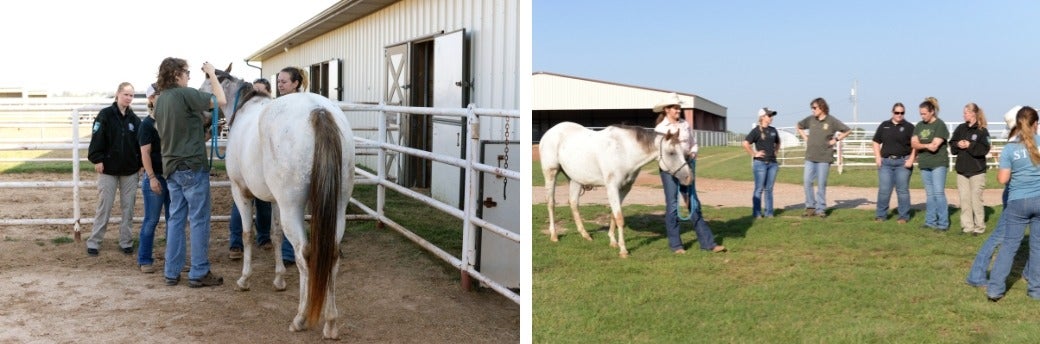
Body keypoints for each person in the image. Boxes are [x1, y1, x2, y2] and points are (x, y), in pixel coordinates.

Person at [154, 58, 226, 288]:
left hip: (172, 167)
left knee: (175, 219)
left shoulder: (160, 100)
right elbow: (221, 100)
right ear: (176, 74)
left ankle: (172, 271)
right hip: (191, 166)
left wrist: (202, 127)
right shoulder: (185, 94)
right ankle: (199, 271)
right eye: (186, 72)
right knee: (199, 219)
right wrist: (212, 74)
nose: (188, 76)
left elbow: (180, 128)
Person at [229, 66, 307, 265]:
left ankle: (290, 251)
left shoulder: (292, 106)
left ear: (296, 83)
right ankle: (282, 248)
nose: (280, 85)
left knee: (288, 207)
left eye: (284, 82)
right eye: (278, 81)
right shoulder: (276, 105)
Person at [653, 93, 726, 254]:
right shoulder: (660, 130)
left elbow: (693, 143)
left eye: (679, 107)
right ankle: (676, 245)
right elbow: (659, 153)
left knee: (693, 202)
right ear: (666, 110)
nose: (678, 110)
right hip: (669, 169)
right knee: (672, 205)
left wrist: (693, 152)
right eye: (674, 108)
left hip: (686, 165)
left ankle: (708, 243)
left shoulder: (685, 125)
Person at [983, 106, 1040, 302]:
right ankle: (1035, 290)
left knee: (1009, 246)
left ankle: (995, 290)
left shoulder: (1010, 148)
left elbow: (1002, 179)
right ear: (1036, 124)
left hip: (1018, 201)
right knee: (1038, 247)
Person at [85, 82, 143, 257]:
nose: (128, 98)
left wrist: (141, 164)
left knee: (129, 208)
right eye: (125, 94)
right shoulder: (105, 115)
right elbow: (97, 138)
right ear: (117, 94)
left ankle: (126, 241)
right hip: (108, 169)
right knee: (105, 206)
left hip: (130, 171)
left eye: (131, 95)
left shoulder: (135, 120)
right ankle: (94, 242)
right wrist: (97, 159)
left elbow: (140, 144)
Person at [796, 97, 851, 218]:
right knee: (806, 182)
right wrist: (806, 138)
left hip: (824, 158)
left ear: (822, 107)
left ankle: (820, 209)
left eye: (814, 108)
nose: (812, 110)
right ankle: (810, 207)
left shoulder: (831, 121)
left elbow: (847, 130)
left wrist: (836, 140)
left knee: (821, 184)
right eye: (812, 108)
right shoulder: (810, 120)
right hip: (810, 157)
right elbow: (799, 126)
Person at [137, 84, 170, 273]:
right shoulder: (147, 125)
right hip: (156, 176)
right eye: (159, 95)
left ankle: (171, 258)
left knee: (173, 220)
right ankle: (144, 258)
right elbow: (145, 153)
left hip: (170, 176)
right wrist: (151, 177)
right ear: (151, 99)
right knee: (151, 220)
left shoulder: (169, 122)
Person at [871, 102, 916, 223]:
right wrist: (877, 157)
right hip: (886, 162)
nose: (899, 115)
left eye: (902, 113)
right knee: (884, 190)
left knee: (902, 190)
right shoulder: (884, 125)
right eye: (897, 112)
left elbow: (915, 146)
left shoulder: (909, 127)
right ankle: (881, 215)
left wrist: (911, 159)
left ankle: (903, 216)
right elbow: (875, 141)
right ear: (892, 112)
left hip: (903, 162)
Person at [950, 103, 991, 235]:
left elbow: (985, 149)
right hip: (962, 170)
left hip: (977, 171)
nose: (964, 115)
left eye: (966, 112)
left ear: (973, 113)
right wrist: (958, 144)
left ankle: (979, 227)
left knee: (976, 200)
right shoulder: (960, 128)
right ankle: (967, 227)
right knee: (964, 200)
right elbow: (952, 144)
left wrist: (970, 145)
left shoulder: (982, 130)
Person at [911, 97, 950, 232]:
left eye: (924, 113)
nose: (922, 116)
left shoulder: (940, 125)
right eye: (921, 114)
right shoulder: (919, 126)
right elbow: (913, 143)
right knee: (929, 194)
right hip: (924, 163)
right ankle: (930, 221)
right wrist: (927, 145)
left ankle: (943, 223)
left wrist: (923, 145)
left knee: (938, 193)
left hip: (938, 163)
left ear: (932, 111)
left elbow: (935, 146)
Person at [742, 107, 780, 219]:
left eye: (772, 115)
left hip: (772, 164)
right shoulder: (756, 131)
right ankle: (757, 213)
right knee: (759, 189)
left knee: (769, 189)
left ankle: (769, 213)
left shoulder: (773, 130)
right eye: (769, 115)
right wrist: (754, 154)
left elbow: (778, 142)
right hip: (760, 164)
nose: (771, 117)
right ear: (762, 117)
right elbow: (745, 143)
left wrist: (776, 151)